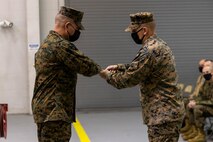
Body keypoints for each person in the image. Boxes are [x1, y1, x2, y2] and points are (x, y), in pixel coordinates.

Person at [99, 12, 185, 142]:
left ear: (144, 30)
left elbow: (126, 80)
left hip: (163, 116)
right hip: (167, 113)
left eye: (134, 31)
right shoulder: (159, 44)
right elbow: (144, 67)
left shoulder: (150, 51)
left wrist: (106, 75)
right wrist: (120, 67)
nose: (132, 35)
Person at [31, 6, 101, 142]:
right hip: (54, 111)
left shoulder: (46, 43)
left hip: (45, 110)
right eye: (77, 28)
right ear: (68, 25)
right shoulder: (60, 45)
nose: (77, 32)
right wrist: (103, 71)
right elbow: (87, 66)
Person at [186, 62, 213, 142]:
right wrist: (194, 101)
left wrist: (197, 103)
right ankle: (195, 130)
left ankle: (201, 135)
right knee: (190, 106)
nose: (205, 74)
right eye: (204, 73)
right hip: (208, 106)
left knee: (198, 108)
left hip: (211, 106)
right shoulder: (206, 82)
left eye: (207, 72)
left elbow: (212, 101)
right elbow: (201, 95)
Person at [180, 59, 207, 140]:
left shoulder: (208, 79)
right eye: (200, 66)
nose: (201, 67)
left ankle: (200, 133)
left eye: (203, 66)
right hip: (201, 100)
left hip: (207, 103)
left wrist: (196, 101)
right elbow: (196, 91)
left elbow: (205, 96)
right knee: (185, 102)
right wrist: (192, 98)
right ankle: (190, 127)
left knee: (196, 108)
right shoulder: (201, 77)